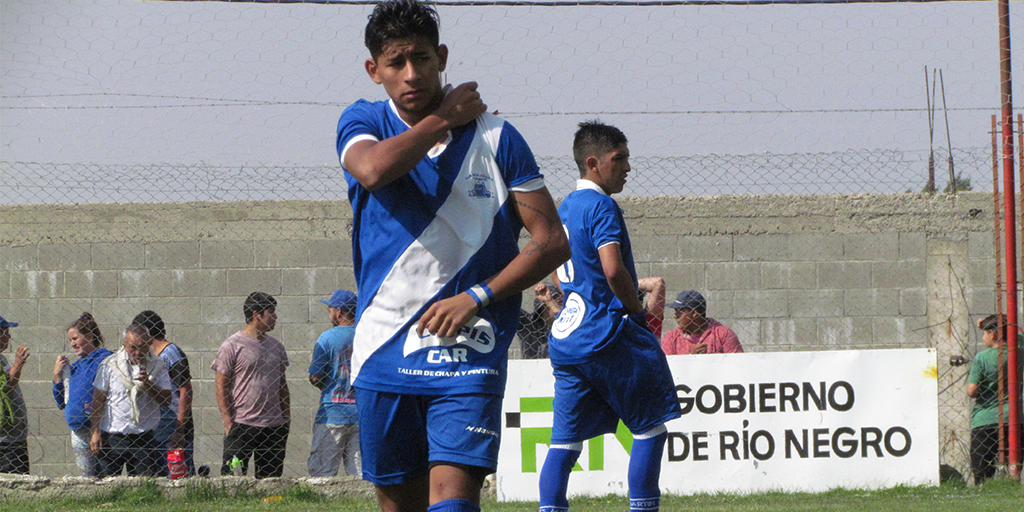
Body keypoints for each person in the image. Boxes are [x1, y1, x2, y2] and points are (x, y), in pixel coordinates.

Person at [336, 1, 569, 510]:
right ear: (374, 70)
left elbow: (552, 240)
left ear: (441, 57)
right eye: (396, 63)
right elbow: (372, 171)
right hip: (384, 350)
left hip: (468, 351)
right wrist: (442, 119)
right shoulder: (363, 121)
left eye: (421, 58)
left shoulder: (497, 137)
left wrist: (477, 296)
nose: (411, 73)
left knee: (454, 500)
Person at [540, 121, 681, 512]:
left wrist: (574, 297)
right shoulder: (601, 205)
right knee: (650, 430)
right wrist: (636, 312)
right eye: (619, 159)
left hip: (568, 339)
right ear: (593, 163)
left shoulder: (564, 207)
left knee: (564, 444)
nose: (628, 168)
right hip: (607, 333)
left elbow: (555, 266)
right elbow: (613, 269)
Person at [213, 291, 290, 479]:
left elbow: (282, 384)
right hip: (242, 424)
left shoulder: (277, 347)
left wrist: (286, 418)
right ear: (257, 315)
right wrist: (228, 422)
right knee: (233, 479)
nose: (275, 317)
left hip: (274, 425)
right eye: (271, 312)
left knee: (271, 481)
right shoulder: (232, 345)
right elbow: (221, 385)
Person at [89, 320, 173, 477]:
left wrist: (148, 384)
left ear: (149, 344)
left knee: (143, 486)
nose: (137, 352)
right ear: (125, 345)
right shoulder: (110, 365)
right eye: (133, 347)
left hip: (143, 439)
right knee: (105, 484)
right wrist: (95, 432)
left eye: (142, 347)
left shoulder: (158, 366)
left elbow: (167, 400)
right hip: (113, 437)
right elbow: (98, 400)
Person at [133, 310, 195, 477]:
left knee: (178, 479)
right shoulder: (150, 357)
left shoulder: (170, 354)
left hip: (173, 433)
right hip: (155, 432)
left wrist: (179, 429)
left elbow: (185, 389)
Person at [53, 312, 114, 476]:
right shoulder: (75, 368)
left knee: (102, 474)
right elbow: (61, 402)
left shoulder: (104, 359)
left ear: (89, 336)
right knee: (86, 477)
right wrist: (57, 376)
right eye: (70, 340)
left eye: (75, 338)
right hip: (78, 431)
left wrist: (96, 430)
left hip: (99, 430)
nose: (72, 344)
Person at [307, 289, 360, 477]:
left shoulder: (327, 338)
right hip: (361, 414)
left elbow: (315, 376)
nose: (329, 315)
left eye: (330, 311)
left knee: (323, 473)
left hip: (333, 412)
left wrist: (328, 383)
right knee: (360, 474)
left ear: (339, 312)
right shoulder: (366, 337)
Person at [967, 314, 1022, 484]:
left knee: (982, 470)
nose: (983, 337)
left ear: (993, 334)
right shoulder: (1019, 352)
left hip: (986, 419)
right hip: (1014, 418)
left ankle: (983, 488)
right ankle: (1012, 484)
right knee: (1014, 463)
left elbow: (971, 390)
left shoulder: (982, 358)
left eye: (985, 333)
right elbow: (1019, 334)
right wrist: (1003, 326)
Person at [660, 290, 743, 355]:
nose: (675, 315)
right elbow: (667, 367)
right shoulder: (671, 337)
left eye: (679, 311)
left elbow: (737, 364)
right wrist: (691, 357)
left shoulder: (723, 334)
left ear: (694, 313)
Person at [0, 315, 30, 474]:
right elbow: (6, 387)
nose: (9, 337)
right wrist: (18, 364)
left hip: (14, 438)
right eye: (5, 332)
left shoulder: (1, 358)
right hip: (5, 442)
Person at [517, 283, 562, 359]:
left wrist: (551, 303)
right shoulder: (530, 325)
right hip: (532, 366)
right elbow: (508, 308)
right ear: (542, 307)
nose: (559, 307)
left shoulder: (567, 326)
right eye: (558, 302)